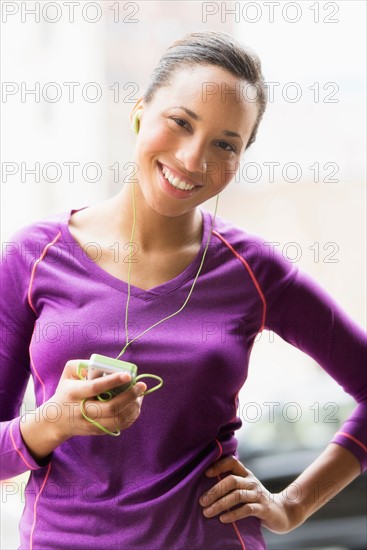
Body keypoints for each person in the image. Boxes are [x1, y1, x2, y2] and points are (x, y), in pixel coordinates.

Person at [1, 30, 366, 550]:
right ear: (139, 112)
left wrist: (292, 505)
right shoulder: (32, 257)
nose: (194, 159)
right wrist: (49, 425)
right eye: (180, 122)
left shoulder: (254, 269)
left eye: (224, 144)